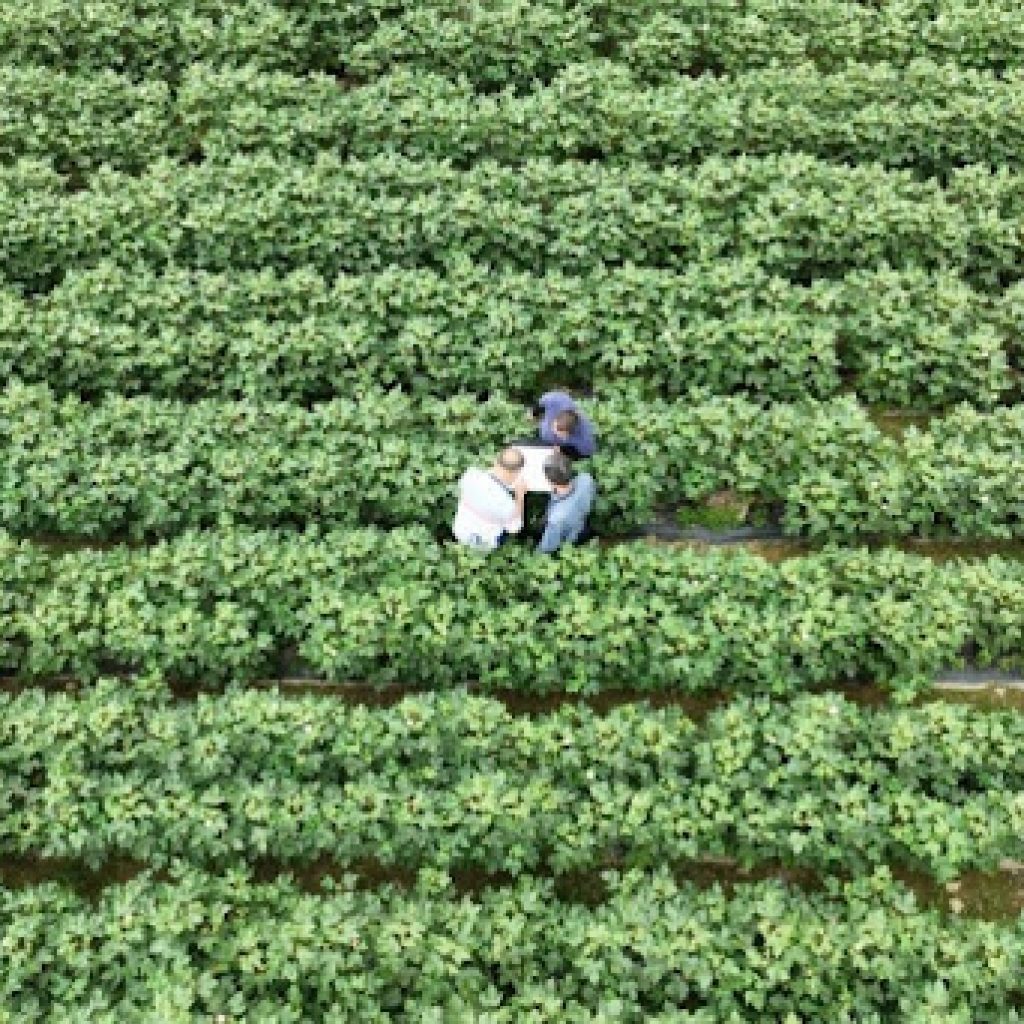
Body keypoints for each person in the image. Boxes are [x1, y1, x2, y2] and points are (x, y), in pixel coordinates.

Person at [452, 447, 527, 551]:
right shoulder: (506, 505)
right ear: (516, 473)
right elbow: (515, 528)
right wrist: (520, 496)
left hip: (461, 531)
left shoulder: (470, 475)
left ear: (496, 461)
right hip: (484, 543)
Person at [537, 451, 596, 554]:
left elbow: (546, 549)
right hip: (581, 526)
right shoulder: (585, 479)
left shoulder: (556, 520)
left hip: (567, 538)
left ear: (551, 482)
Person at [534, 390, 597, 459]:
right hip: (546, 441)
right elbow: (542, 403)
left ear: (567, 434)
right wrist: (534, 414)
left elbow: (585, 455)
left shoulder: (584, 442)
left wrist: (562, 450)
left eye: (559, 432)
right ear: (556, 418)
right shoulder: (554, 401)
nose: (553, 431)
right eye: (555, 427)